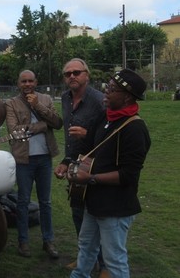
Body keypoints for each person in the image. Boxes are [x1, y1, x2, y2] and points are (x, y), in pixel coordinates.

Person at [69, 69, 151, 278]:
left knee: (114, 259)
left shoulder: (135, 129)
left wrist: (91, 178)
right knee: (86, 246)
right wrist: (68, 164)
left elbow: (128, 175)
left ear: (127, 97)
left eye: (112, 90)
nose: (105, 92)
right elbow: (89, 146)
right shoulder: (106, 117)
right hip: (94, 201)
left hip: (116, 207)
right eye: (107, 86)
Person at [53, 58, 107, 275]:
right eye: (67, 74)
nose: (72, 76)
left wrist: (88, 134)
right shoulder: (65, 98)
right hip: (75, 165)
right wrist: (65, 162)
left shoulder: (100, 100)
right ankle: (86, 259)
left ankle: (105, 265)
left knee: (96, 216)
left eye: (76, 72)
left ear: (87, 74)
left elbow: (108, 135)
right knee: (77, 213)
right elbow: (69, 138)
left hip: (96, 164)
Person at [5, 70, 63, 259]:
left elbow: (57, 122)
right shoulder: (12, 103)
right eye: (24, 81)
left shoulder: (45, 99)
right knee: (22, 201)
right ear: (18, 83)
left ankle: (48, 241)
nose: (27, 84)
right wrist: (41, 126)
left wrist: (38, 106)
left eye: (30, 80)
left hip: (44, 158)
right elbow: (14, 131)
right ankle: (23, 241)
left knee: (45, 202)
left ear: (36, 82)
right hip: (24, 159)